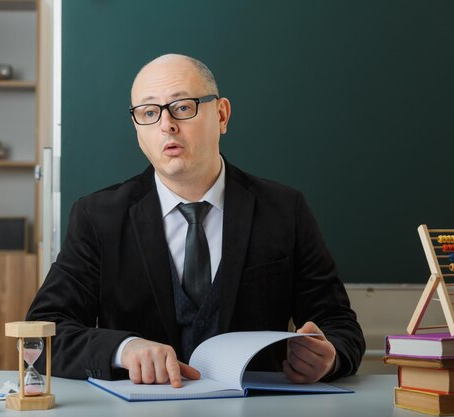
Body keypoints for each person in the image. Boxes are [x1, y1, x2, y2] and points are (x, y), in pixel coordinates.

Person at [26, 53, 365, 388]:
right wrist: (123, 349)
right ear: (137, 128)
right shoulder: (98, 217)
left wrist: (330, 355)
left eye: (182, 107)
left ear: (221, 115)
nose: (166, 125)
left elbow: (339, 325)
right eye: (148, 112)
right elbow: (42, 334)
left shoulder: (284, 209)